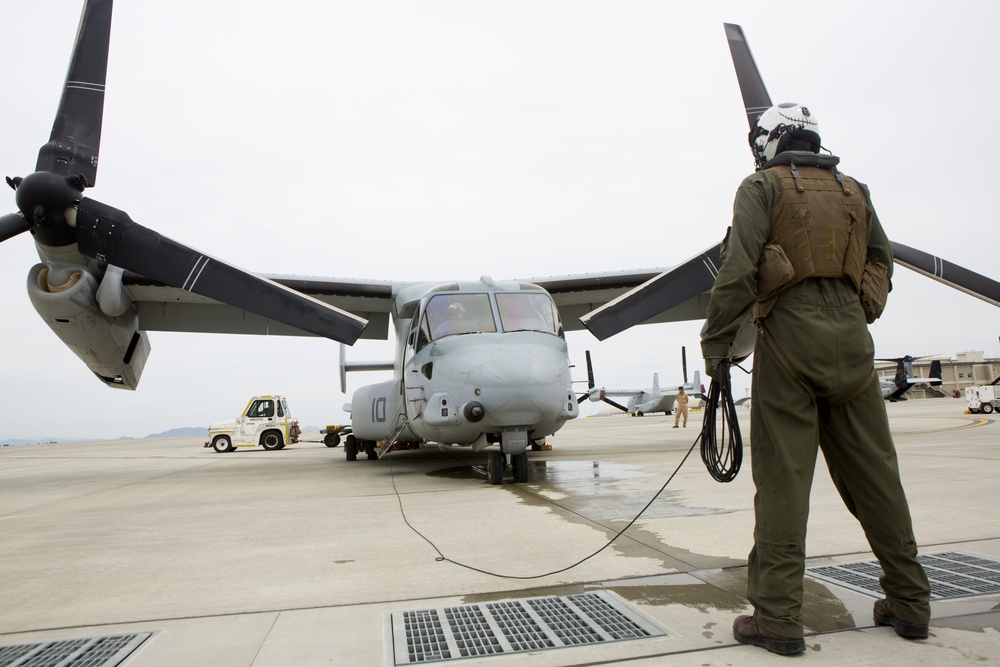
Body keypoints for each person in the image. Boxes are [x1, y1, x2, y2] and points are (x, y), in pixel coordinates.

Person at [700, 103, 931, 655]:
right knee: (878, 477)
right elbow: (882, 260)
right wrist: (859, 308)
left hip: (788, 342)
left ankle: (778, 620)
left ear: (771, 144)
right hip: (853, 345)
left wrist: (716, 344)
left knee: (783, 484)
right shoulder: (855, 189)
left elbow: (738, 268)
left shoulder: (760, 187)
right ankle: (910, 602)